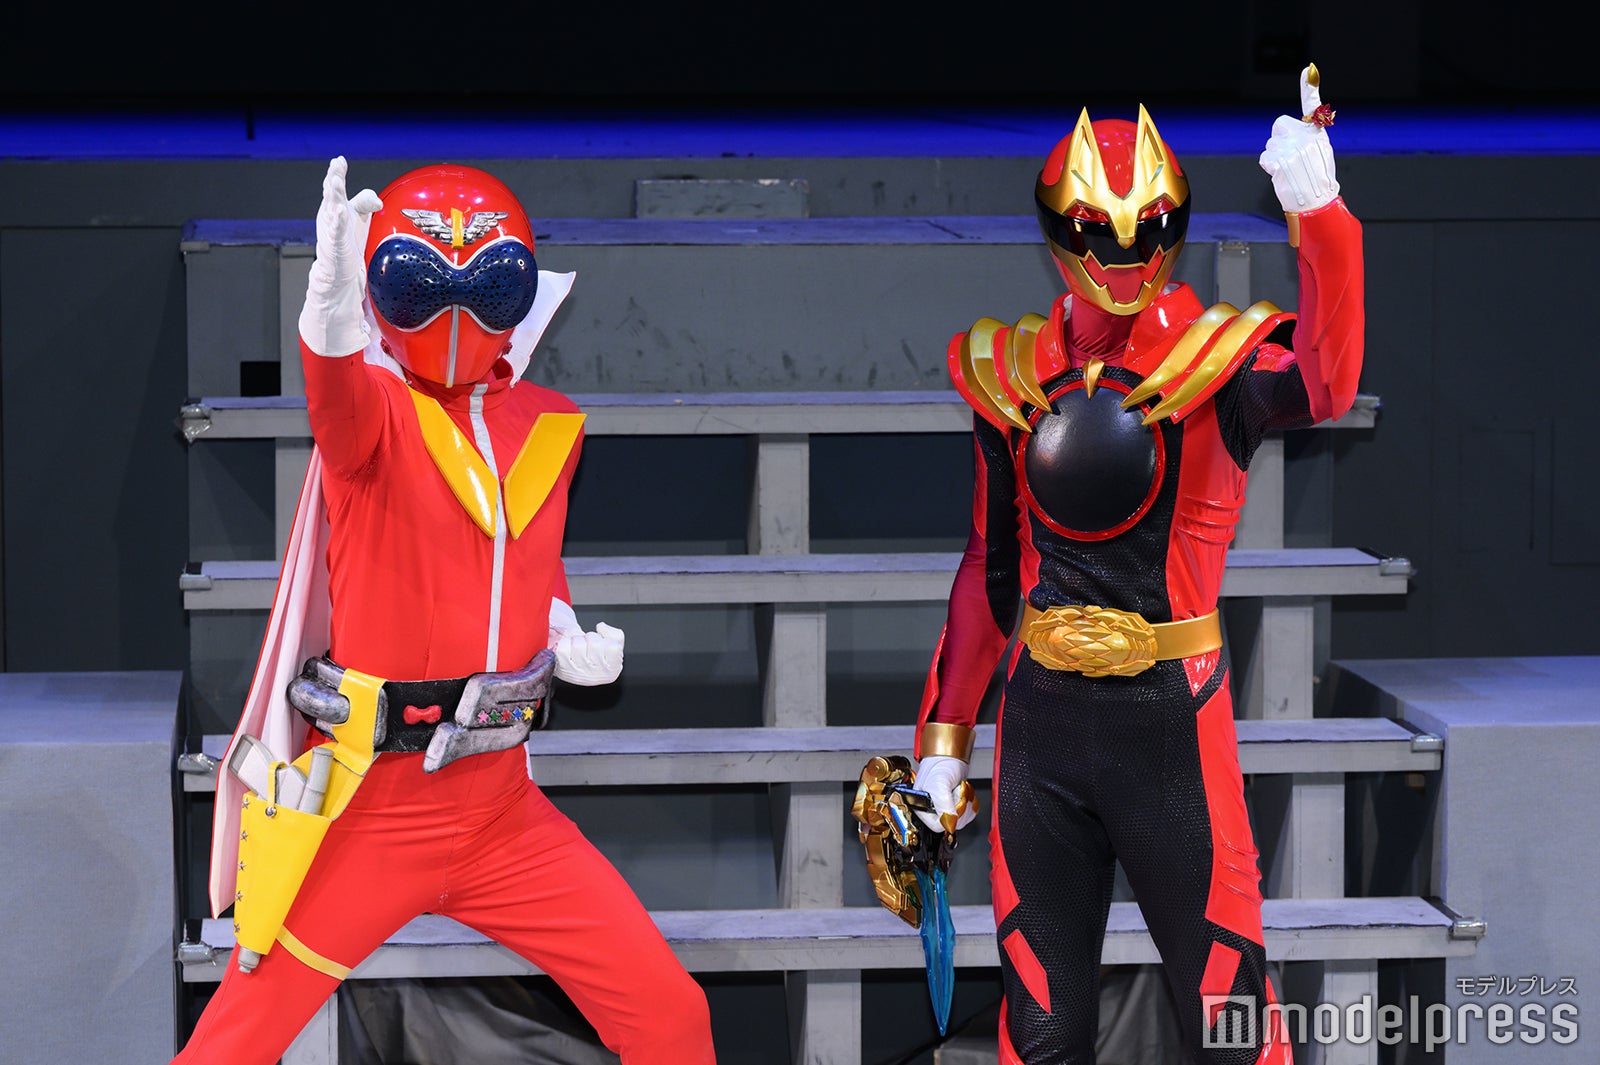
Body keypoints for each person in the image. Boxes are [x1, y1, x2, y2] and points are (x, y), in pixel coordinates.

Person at [174, 158, 717, 1064]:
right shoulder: (375, 417)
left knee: (671, 1017)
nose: (455, 315)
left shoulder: (547, 425)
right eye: (421, 287)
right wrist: (328, 309)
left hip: (502, 811)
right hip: (368, 812)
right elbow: (336, 393)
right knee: (234, 1042)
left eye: (485, 285)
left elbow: (521, 558)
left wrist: (560, 627)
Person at [908, 67, 1362, 1063]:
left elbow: (1327, 383)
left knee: (1232, 1020)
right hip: (1041, 724)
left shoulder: (1221, 363)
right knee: (1041, 1027)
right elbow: (990, 562)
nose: (1124, 257)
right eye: (1097, 234)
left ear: (1174, 227)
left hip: (1170, 722)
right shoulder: (1011, 373)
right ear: (1058, 232)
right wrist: (943, 733)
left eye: (1146, 231)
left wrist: (1323, 221)